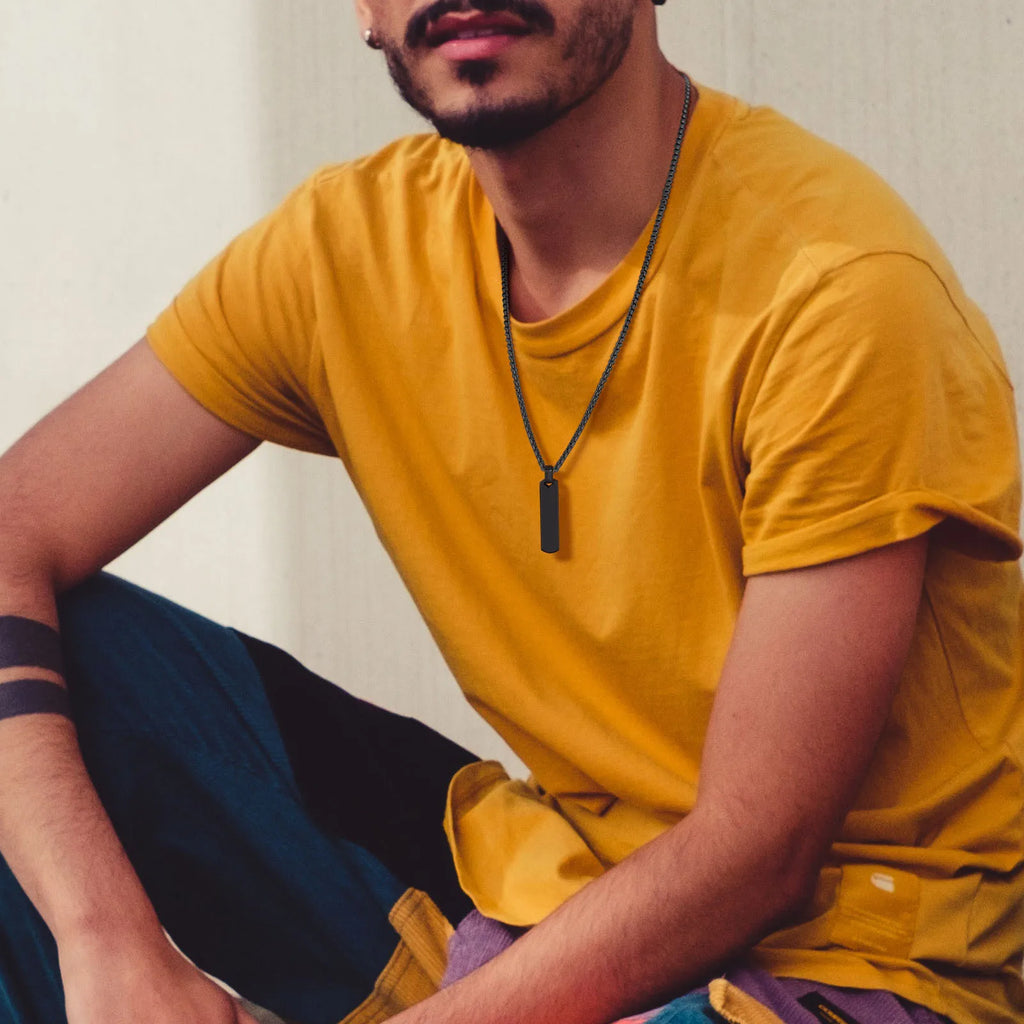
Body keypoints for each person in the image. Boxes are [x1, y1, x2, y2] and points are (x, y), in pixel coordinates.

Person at [0, 1, 1021, 1023]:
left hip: (853, 964)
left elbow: (757, 855)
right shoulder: (347, 252)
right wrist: (105, 940)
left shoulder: (835, 289)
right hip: (554, 891)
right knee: (38, 691)